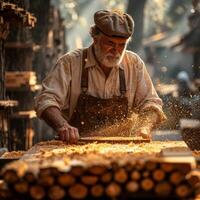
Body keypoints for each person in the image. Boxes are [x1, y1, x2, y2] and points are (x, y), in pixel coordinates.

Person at [35, 10, 166, 144]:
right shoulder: (70, 63)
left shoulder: (134, 64)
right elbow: (46, 100)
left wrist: (144, 127)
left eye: (122, 45)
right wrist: (62, 125)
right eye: (110, 43)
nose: (116, 51)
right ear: (95, 38)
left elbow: (151, 103)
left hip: (123, 148)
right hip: (76, 148)